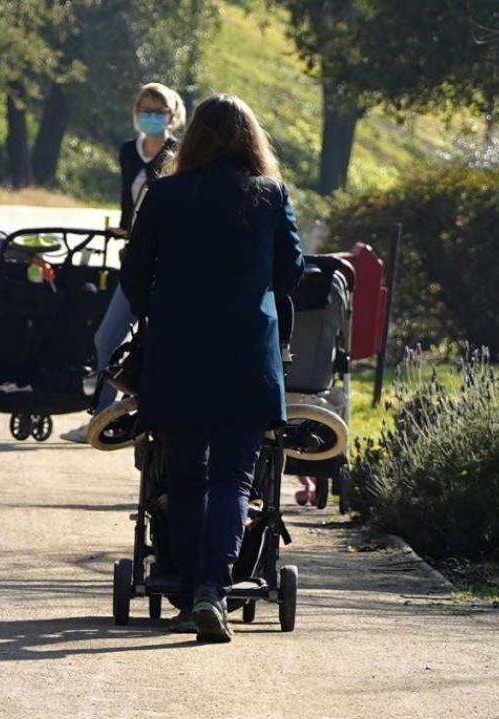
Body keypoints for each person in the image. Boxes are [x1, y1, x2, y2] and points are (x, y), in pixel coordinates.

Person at [119, 93, 304, 643]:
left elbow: (133, 273)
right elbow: (291, 271)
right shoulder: (269, 195)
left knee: (185, 478)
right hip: (246, 357)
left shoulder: (164, 193)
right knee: (233, 480)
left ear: (193, 137)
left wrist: (160, 312)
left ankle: (186, 587)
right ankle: (212, 591)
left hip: (177, 355)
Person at [64, 83, 186, 443]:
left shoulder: (179, 154)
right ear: (136, 112)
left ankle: (154, 418)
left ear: (172, 116)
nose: (152, 117)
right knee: (108, 338)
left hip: (167, 261)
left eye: (159, 111)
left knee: (161, 342)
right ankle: (102, 417)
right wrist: (124, 228)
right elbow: (128, 198)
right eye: (145, 109)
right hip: (136, 257)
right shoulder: (128, 152)